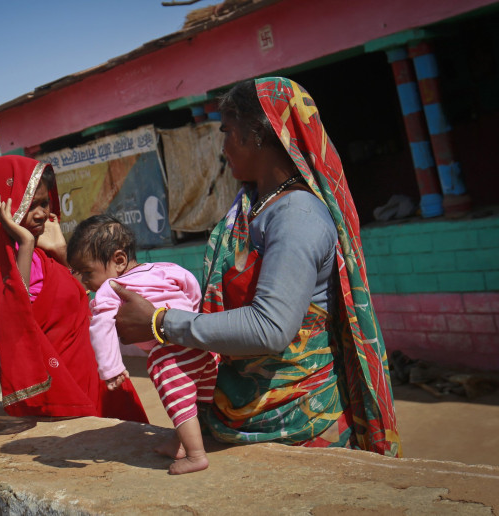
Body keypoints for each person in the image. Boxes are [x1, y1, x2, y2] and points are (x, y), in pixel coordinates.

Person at [112, 77, 402, 457]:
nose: (223, 146)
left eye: (228, 131)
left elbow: (270, 328)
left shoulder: (296, 216)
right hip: (241, 415)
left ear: (260, 133)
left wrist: (159, 322)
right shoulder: (255, 208)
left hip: (297, 422)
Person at [0, 155, 148, 423]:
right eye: (30, 205)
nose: (41, 213)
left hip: (95, 372)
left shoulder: (44, 253)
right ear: (6, 207)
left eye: (44, 203)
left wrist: (61, 250)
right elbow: (16, 316)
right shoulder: (8, 271)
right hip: (67, 387)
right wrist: (27, 243)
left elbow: (81, 291)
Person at [67, 215, 219, 474]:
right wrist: (193, 324)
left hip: (169, 354)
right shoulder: (166, 268)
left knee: (179, 401)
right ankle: (179, 442)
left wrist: (111, 368)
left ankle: (196, 455)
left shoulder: (110, 287)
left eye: (87, 272)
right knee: (193, 402)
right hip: (200, 347)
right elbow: (192, 288)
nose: (84, 281)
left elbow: (101, 327)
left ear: (118, 261)